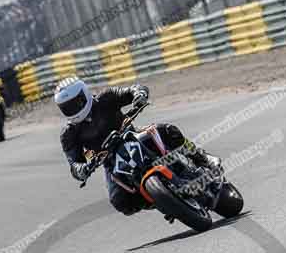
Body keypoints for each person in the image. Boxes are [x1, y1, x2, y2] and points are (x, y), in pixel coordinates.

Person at [55, 77, 221, 215]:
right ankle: (161, 201)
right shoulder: (68, 134)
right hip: (110, 161)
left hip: (133, 136)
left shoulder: (106, 98)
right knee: (119, 201)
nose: (73, 109)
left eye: (75, 103)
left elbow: (133, 89)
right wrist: (82, 169)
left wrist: (139, 95)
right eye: (67, 107)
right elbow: (74, 164)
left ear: (84, 94)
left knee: (166, 130)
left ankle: (202, 157)